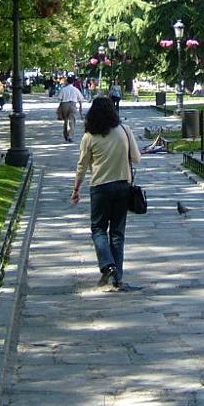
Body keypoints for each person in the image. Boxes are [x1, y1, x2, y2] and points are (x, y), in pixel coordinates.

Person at [72, 97, 142, 291]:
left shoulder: (89, 137)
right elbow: (136, 158)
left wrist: (76, 188)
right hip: (123, 185)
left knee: (98, 229)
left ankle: (107, 264)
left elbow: (82, 166)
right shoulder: (125, 131)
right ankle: (117, 279)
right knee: (117, 233)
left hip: (100, 187)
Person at [55, 77, 86, 142]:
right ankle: (70, 136)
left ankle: (66, 134)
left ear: (67, 82)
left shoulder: (63, 89)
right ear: (73, 82)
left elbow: (59, 98)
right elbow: (80, 99)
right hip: (73, 105)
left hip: (64, 105)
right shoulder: (76, 89)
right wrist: (80, 107)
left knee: (66, 120)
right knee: (72, 121)